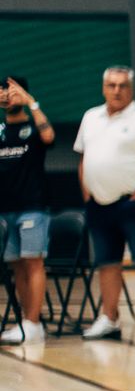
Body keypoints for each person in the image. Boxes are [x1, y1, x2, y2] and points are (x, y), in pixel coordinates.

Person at [75, 66, 135, 342]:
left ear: (131, 89)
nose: (117, 91)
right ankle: (109, 317)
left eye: (122, 86)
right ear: (104, 88)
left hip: (133, 205)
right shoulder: (90, 117)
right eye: (111, 85)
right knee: (107, 262)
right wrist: (87, 193)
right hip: (98, 204)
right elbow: (84, 159)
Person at [0, 76, 54, 345]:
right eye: (4, 93)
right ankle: (25, 320)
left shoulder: (33, 129)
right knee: (16, 266)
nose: (8, 97)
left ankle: (34, 322)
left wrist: (32, 102)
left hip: (32, 207)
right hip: (5, 209)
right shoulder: (0, 130)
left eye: (13, 92)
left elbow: (49, 136)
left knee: (33, 262)